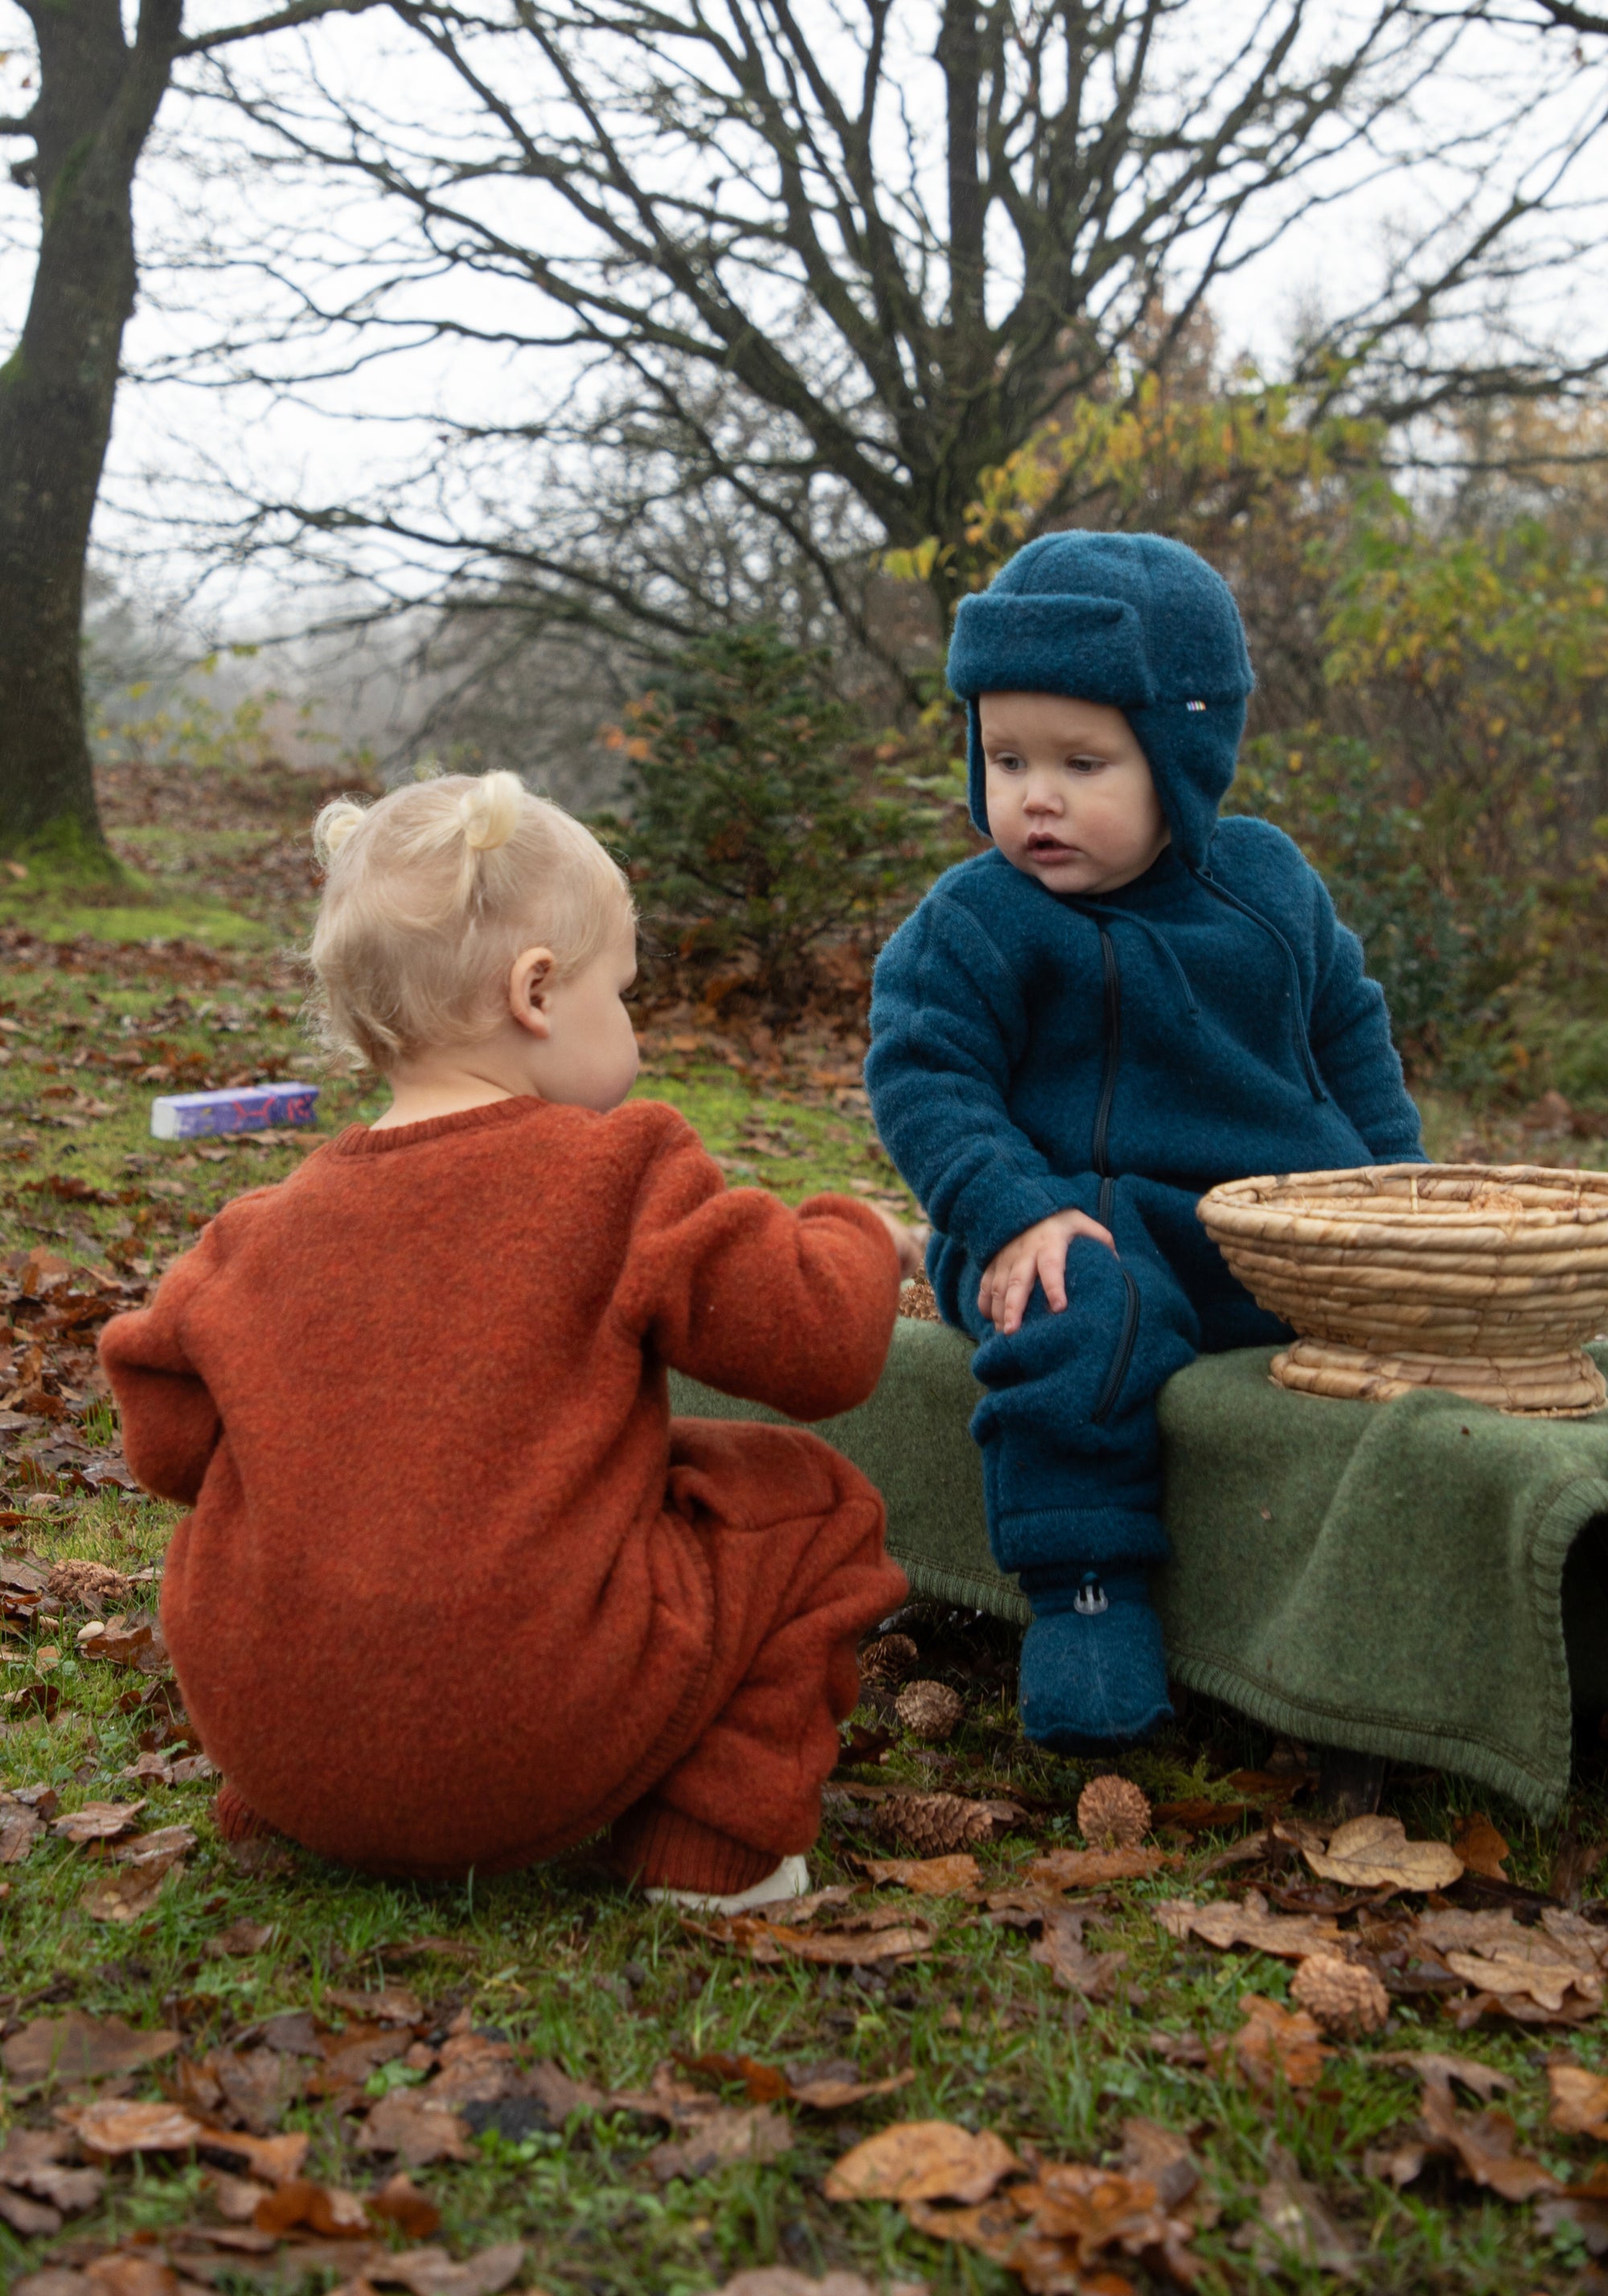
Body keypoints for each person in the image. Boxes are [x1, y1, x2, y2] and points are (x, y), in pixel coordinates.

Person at [100, 771, 916, 1910]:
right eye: (619, 994)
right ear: (537, 992)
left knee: (306, 1513)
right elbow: (819, 1346)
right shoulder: (619, 1173)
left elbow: (165, 1439)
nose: (630, 1027)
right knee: (816, 1505)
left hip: (270, 1738)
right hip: (534, 1731)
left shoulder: (256, 1234)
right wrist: (863, 1235)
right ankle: (718, 1844)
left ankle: (309, 1806)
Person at [864, 531, 1424, 1749]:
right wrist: (1007, 1206)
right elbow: (923, 1067)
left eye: (1083, 763)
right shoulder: (980, 916)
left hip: (1264, 1226)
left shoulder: (1266, 885)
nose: (1037, 797)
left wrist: (1394, 1193)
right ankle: (1087, 1596)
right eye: (1006, 759)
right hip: (1062, 1219)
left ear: (1183, 758)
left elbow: (1348, 1033)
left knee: (1446, 1325)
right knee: (1080, 1311)